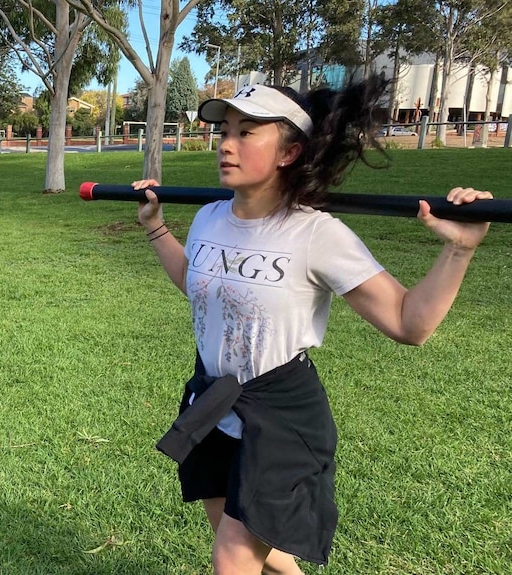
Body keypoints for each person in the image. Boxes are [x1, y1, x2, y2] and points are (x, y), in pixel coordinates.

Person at [131, 77, 492, 575]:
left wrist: (459, 247)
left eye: (247, 132)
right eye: (225, 131)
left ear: (289, 152)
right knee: (231, 526)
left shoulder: (316, 234)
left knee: (233, 554)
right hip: (214, 397)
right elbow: (199, 285)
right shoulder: (210, 218)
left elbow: (410, 323)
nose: (226, 145)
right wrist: (155, 226)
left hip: (280, 411)